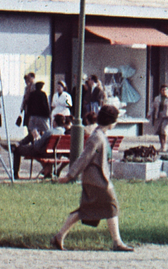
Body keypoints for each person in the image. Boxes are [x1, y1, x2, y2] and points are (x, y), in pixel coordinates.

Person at [52, 105, 133, 251]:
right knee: (111, 206)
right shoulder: (97, 137)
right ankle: (117, 242)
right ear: (111, 121)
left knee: (88, 210)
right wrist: (70, 175)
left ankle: (59, 236)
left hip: (96, 179)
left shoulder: (100, 134)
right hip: (97, 181)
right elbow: (84, 157)